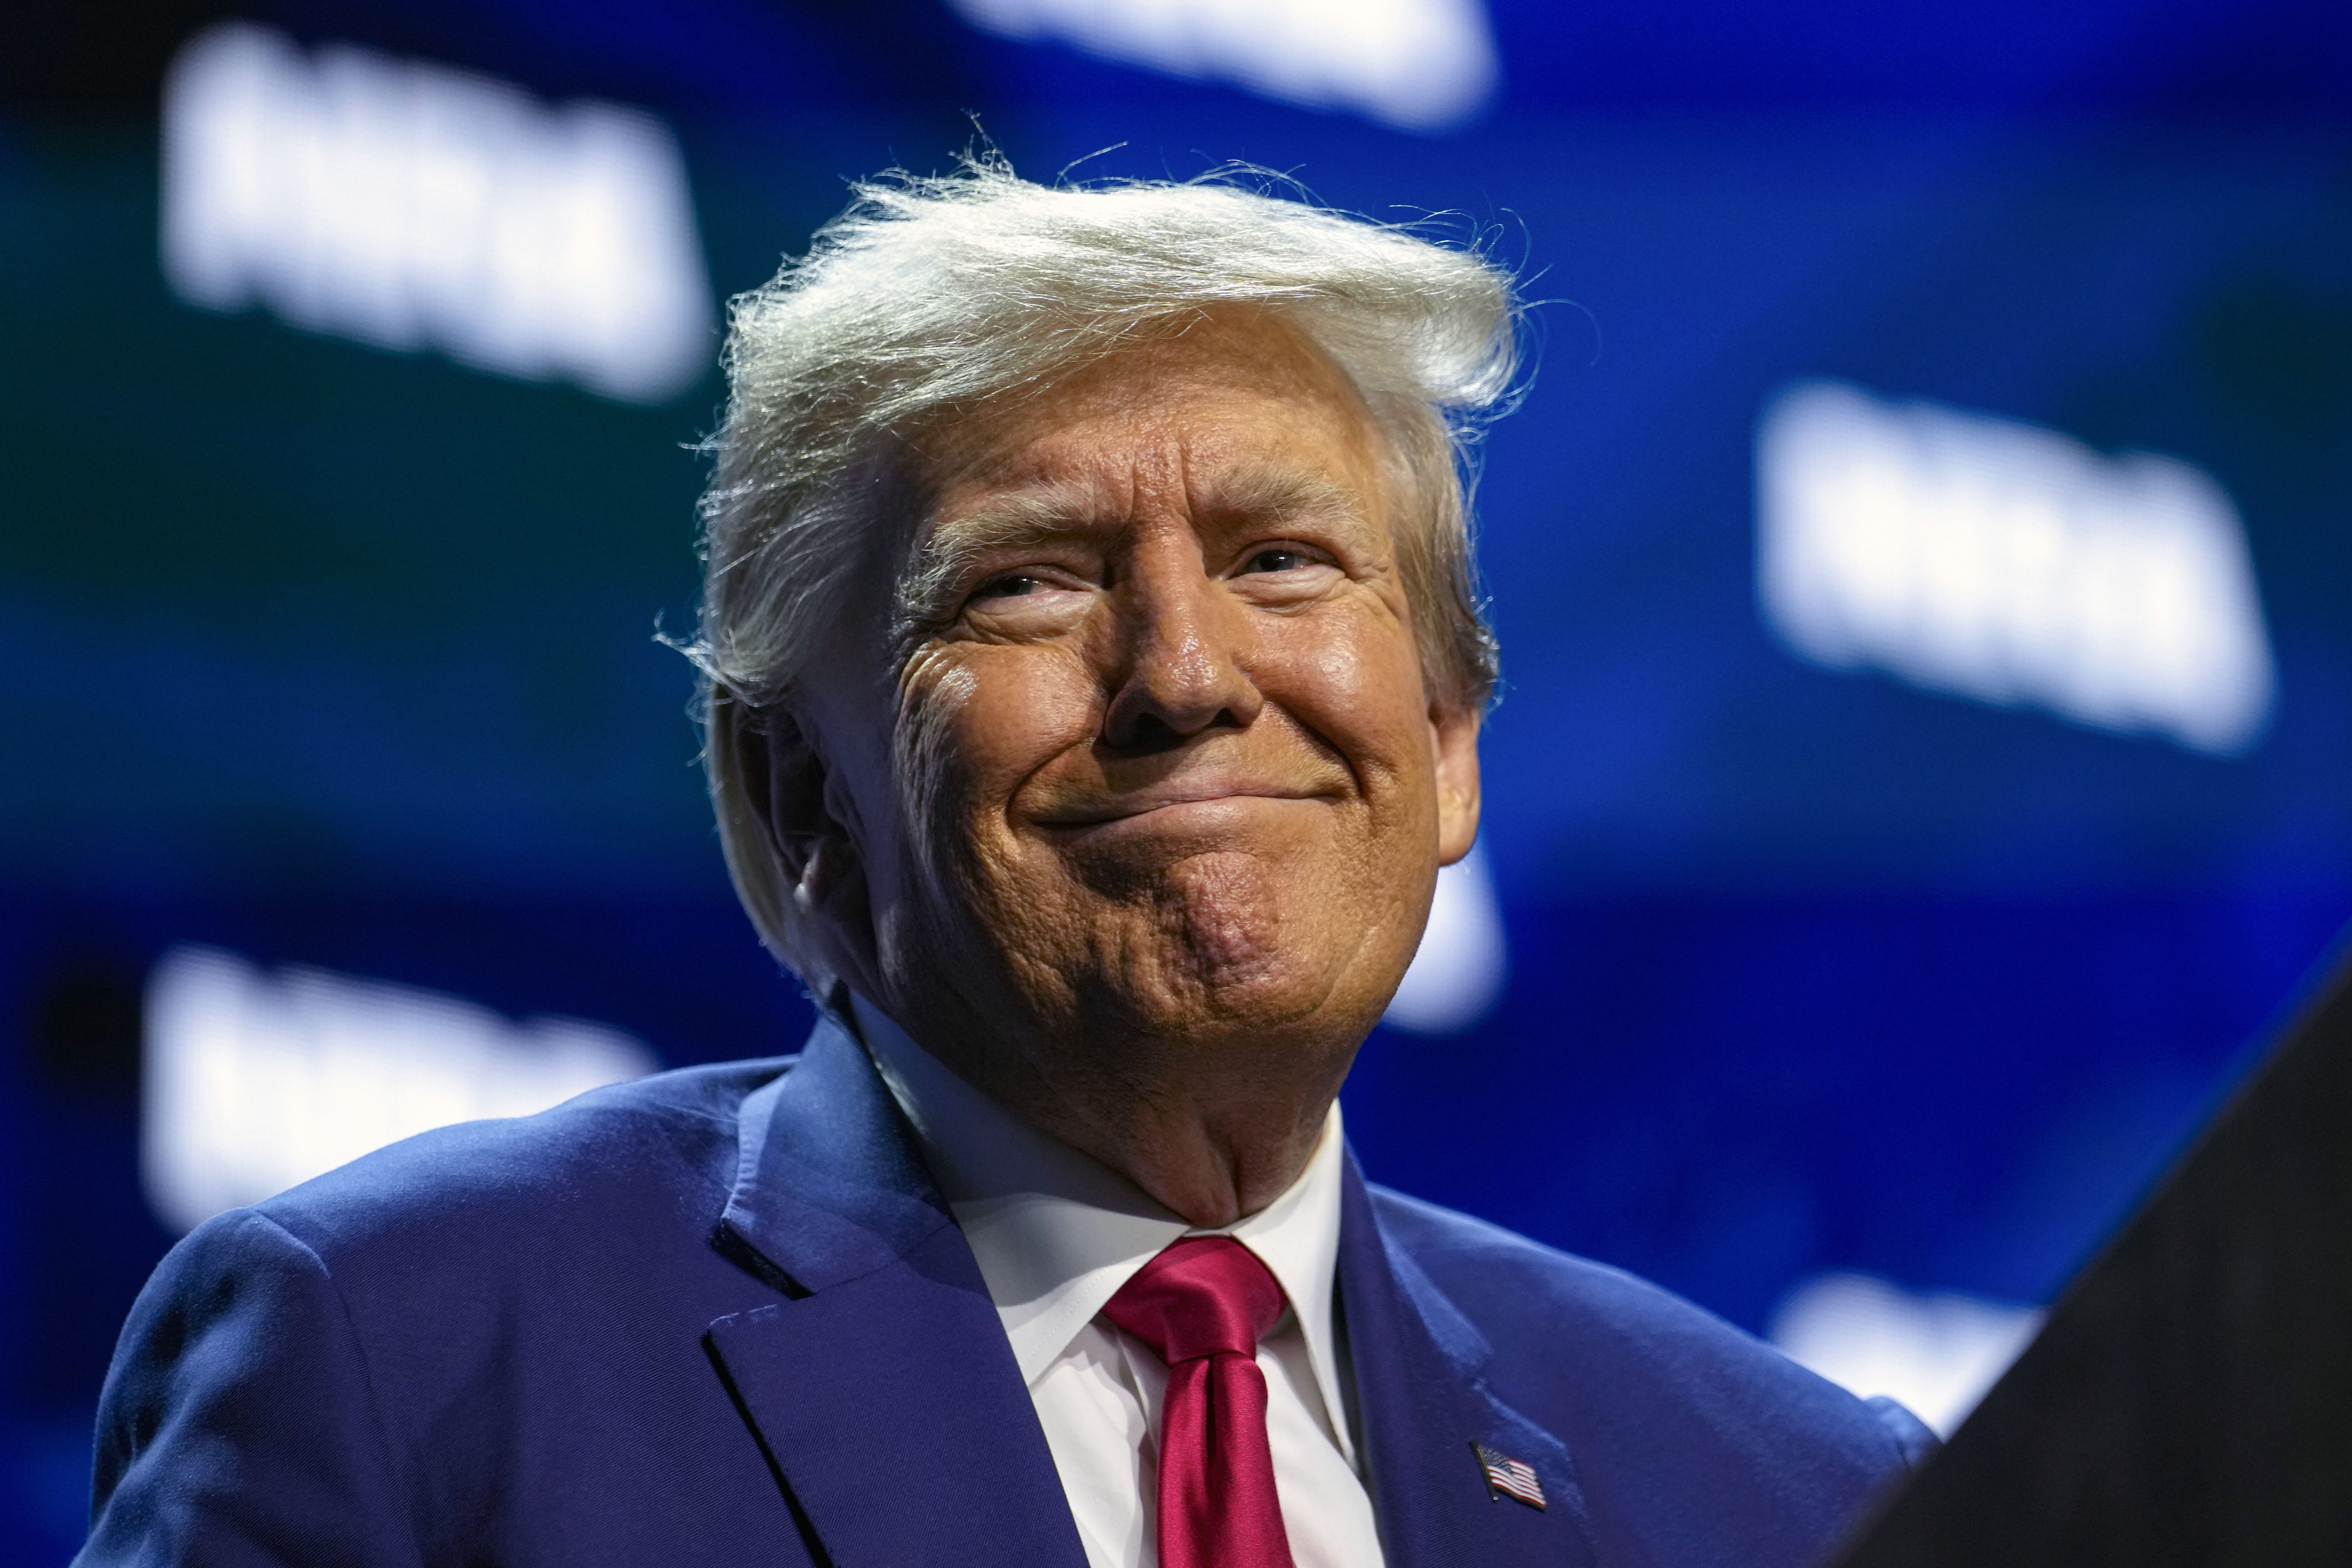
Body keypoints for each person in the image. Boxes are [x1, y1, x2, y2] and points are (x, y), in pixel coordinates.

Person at [79, 160, 1933, 1568]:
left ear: (1446, 742)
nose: (1190, 679)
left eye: (1283, 559)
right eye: (1029, 581)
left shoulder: (1791, 1500)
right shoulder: (405, 1361)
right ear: (801, 800)